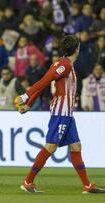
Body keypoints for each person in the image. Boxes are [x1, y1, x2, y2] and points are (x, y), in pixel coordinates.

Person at [15, 35, 105, 194]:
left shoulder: (60, 63)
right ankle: (27, 182)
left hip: (68, 114)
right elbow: (46, 80)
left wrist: (28, 104)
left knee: (76, 146)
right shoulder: (65, 65)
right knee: (51, 146)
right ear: (76, 49)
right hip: (61, 113)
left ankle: (87, 185)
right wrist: (26, 96)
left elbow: (45, 81)